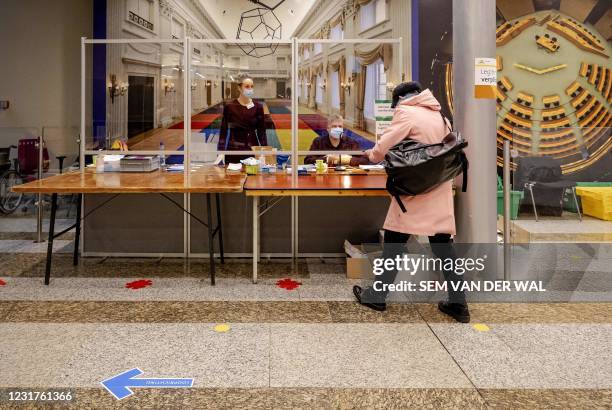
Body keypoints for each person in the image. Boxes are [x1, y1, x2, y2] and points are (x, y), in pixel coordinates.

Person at [353, 81, 470, 323]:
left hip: (415, 190)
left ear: (400, 100)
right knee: (443, 248)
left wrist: (371, 155)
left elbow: (384, 146)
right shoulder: (439, 115)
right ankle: (459, 304)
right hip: (439, 188)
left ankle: (377, 296)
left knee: (394, 243)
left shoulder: (406, 112)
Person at [218, 76, 267, 163]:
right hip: (234, 147)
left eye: (252, 86)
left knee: (252, 174)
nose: (250, 89)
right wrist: (220, 151)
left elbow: (261, 131)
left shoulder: (258, 106)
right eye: (247, 86)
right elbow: (223, 130)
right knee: (233, 175)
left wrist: (265, 150)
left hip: (252, 147)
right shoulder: (230, 106)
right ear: (239, 88)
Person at [303, 114, 369, 166]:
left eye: (340, 126)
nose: (337, 129)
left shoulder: (351, 142)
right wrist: (327, 159)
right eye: (334, 126)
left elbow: (364, 160)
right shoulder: (318, 142)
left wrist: (345, 160)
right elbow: (307, 161)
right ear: (328, 129)